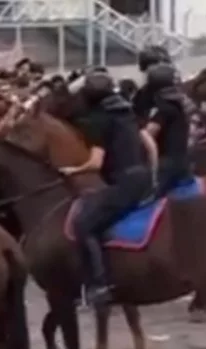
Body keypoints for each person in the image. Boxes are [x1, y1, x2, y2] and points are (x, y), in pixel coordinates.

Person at [69, 70, 153, 306]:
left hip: (123, 183)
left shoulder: (98, 119)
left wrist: (71, 171)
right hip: (142, 177)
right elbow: (150, 146)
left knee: (83, 224)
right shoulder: (127, 110)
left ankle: (99, 284)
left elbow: (95, 163)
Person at [140, 63, 193, 198]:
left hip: (166, 167)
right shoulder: (181, 103)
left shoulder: (161, 107)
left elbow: (148, 135)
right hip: (183, 162)